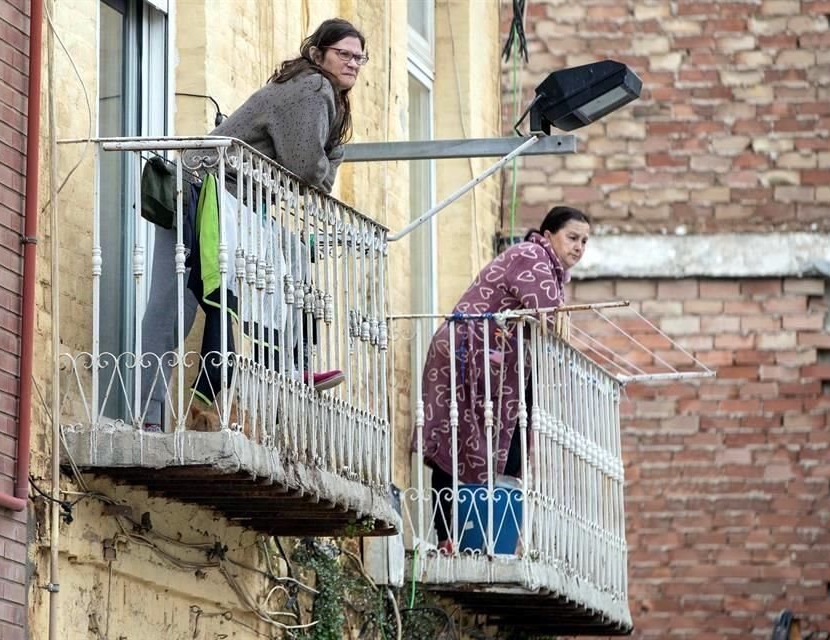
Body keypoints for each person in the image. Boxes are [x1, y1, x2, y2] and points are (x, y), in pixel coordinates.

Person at [139, 18, 367, 431]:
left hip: (232, 203)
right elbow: (307, 169)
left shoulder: (323, 95)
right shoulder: (313, 87)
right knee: (174, 304)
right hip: (202, 190)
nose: (352, 63)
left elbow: (315, 171)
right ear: (319, 54)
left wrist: (326, 162)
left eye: (359, 57)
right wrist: (327, 163)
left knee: (285, 261)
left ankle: (286, 368)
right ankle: (150, 415)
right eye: (344, 54)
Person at [417, 206, 591, 550]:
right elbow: (550, 320)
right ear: (548, 235)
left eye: (585, 241)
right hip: (469, 356)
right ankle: (454, 537)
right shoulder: (533, 256)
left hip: (493, 364)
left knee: (485, 445)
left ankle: (483, 536)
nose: (579, 247)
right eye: (572, 237)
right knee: (457, 440)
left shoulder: (547, 268)